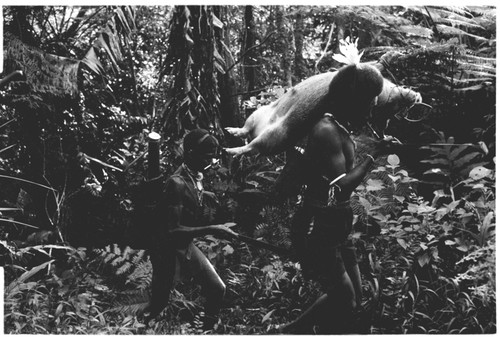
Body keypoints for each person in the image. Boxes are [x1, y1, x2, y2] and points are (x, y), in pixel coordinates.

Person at [280, 69, 399, 334]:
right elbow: (340, 187)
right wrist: (373, 156)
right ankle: (288, 332)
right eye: (370, 101)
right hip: (319, 225)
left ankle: (297, 330)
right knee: (344, 298)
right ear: (354, 101)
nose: (373, 106)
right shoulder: (326, 131)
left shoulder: (340, 128)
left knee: (352, 301)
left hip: (338, 224)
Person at [145, 128, 238, 331]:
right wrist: (212, 229)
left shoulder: (196, 174)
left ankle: (207, 330)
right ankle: (137, 328)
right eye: (206, 158)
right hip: (166, 249)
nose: (210, 163)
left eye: (212, 158)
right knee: (158, 304)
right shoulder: (176, 183)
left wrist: (207, 197)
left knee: (217, 288)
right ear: (190, 154)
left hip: (185, 245)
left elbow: (192, 195)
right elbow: (172, 230)